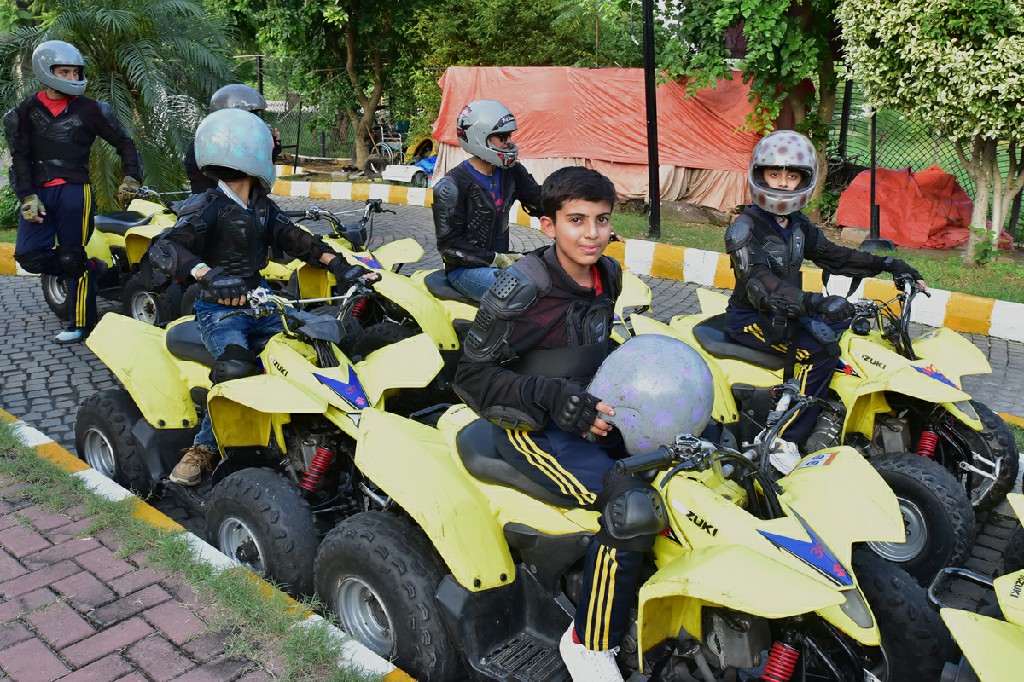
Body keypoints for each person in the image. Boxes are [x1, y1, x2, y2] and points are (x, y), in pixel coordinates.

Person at [453, 167, 655, 681]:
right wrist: (550, 397)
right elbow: (470, 378)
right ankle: (589, 642)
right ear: (548, 225)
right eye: (576, 220)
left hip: (592, 415)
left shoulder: (607, 274)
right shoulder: (520, 287)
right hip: (532, 430)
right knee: (631, 507)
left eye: (602, 220)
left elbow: (591, 345)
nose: (592, 234)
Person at [149, 107, 375, 487]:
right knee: (237, 367)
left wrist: (341, 266)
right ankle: (202, 448)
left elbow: (298, 239)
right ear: (253, 155)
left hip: (263, 302)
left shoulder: (260, 207)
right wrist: (208, 275)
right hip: (219, 312)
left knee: (322, 343)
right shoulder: (207, 205)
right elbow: (165, 247)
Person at [725, 129, 927, 465]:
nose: (783, 183)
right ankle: (784, 441)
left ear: (804, 180)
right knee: (820, 350)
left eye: (792, 176)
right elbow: (761, 284)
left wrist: (889, 264)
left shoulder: (797, 225)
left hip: (790, 311)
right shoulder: (744, 228)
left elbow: (835, 256)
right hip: (753, 319)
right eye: (774, 174)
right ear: (759, 175)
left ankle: (837, 411)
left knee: (852, 328)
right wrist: (816, 303)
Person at [3, 40, 143, 344]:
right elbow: (20, 157)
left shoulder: (92, 109)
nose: (72, 77)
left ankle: (80, 324)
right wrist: (27, 196)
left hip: (75, 193)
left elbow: (125, 142)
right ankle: (90, 268)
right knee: (28, 255)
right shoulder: (25, 112)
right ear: (46, 70)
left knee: (71, 255)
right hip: (38, 195)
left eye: (75, 72)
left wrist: (132, 176)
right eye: (64, 72)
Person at [432, 99, 542, 301]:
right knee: (522, 290)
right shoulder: (451, 186)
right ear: (479, 137)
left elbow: (540, 201)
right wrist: (495, 259)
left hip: (501, 262)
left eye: (510, 135)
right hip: (465, 270)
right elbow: (449, 246)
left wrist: (576, 206)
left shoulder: (511, 172)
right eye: (502, 137)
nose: (509, 142)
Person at [185, 83, 283, 194]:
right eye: (251, 115)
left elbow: (257, 170)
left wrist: (273, 149)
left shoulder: (241, 141)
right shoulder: (206, 143)